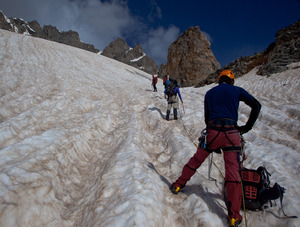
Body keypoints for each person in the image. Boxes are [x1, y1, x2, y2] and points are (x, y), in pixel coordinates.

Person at [170, 70, 261, 227]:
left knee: (196, 160)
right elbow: (256, 105)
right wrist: (246, 127)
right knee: (232, 172)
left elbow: (207, 117)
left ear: (219, 80)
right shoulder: (236, 90)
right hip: (232, 134)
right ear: (231, 80)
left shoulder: (210, 93)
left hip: (213, 132)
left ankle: (178, 184)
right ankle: (234, 215)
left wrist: (214, 138)